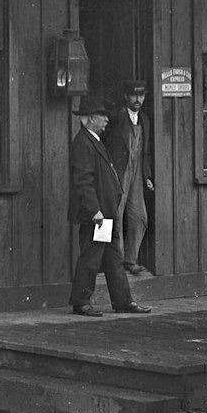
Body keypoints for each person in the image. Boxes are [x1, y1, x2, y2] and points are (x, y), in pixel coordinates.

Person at [68, 98, 144, 315]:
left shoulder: (94, 140)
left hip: (106, 213)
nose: (107, 120)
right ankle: (81, 302)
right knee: (91, 257)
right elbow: (83, 180)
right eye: (102, 116)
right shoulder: (83, 143)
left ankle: (123, 301)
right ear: (91, 119)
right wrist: (94, 211)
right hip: (97, 215)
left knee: (113, 259)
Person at [106, 81, 153, 275]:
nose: (138, 100)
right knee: (116, 216)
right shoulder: (117, 117)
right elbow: (106, 145)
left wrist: (147, 175)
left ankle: (130, 259)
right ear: (126, 96)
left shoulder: (145, 119)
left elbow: (145, 152)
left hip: (137, 174)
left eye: (141, 95)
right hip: (119, 171)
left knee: (139, 217)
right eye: (134, 95)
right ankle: (117, 262)